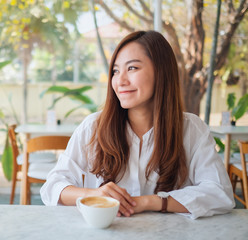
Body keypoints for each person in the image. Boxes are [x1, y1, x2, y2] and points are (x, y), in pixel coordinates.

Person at [40, 30, 235, 219]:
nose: (120, 81)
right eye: (115, 71)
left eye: (132, 68)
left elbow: (220, 193)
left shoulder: (191, 129)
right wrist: (93, 195)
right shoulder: (93, 127)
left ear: (161, 71)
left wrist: (151, 202)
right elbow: (53, 186)